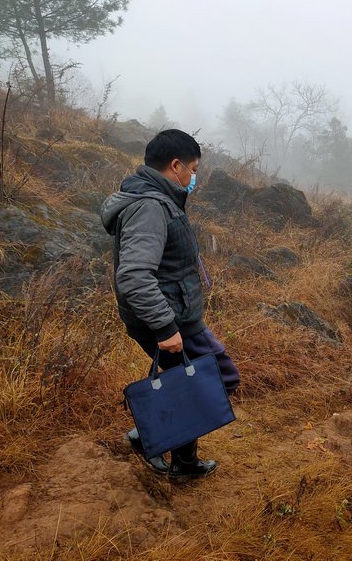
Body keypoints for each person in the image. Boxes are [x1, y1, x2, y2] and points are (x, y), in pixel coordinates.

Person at [101, 129, 240, 481]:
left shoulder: (159, 199)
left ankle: (182, 462)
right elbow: (133, 276)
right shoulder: (150, 206)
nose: (194, 178)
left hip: (177, 315)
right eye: (192, 169)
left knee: (187, 380)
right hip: (171, 319)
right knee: (219, 376)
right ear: (175, 165)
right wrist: (166, 328)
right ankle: (150, 435)